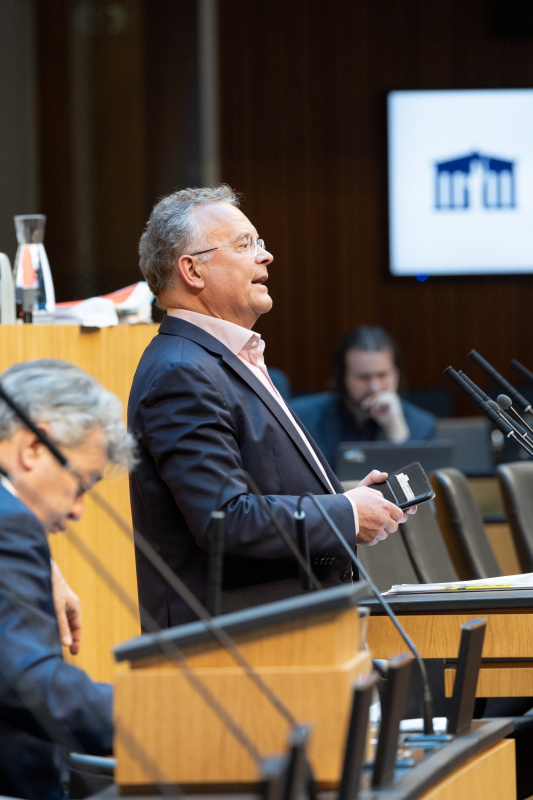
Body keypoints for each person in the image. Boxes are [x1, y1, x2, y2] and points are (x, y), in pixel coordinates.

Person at [129, 185, 415, 629]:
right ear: (192, 271)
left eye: (258, 244)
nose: (266, 257)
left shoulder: (224, 358)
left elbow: (261, 483)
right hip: (235, 652)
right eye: (245, 245)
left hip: (289, 637)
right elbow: (224, 518)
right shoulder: (182, 372)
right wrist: (346, 513)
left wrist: (343, 495)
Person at [0, 359, 135, 800]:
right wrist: (160, 719)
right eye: (81, 483)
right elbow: (28, 684)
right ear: (33, 449)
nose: (78, 509)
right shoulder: (10, 523)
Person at [290, 326, 436, 466]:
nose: (375, 387)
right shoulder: (301, 417)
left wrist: (396, 431)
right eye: (364, 377)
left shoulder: (421, 425)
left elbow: (417, 486)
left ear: (396, 374)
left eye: (382, 375)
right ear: (342, 376)